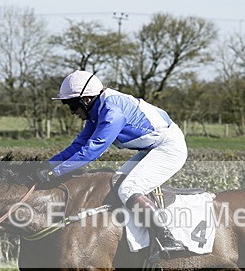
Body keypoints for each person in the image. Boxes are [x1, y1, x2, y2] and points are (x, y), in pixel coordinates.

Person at [37, 70, 188, 261]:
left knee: (129, 188)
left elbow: (92, 150)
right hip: (151, 148)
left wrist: (54, 173)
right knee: (115, 184)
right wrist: (47, 166)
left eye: (73, 105)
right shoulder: (97, 109)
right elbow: (78, 146)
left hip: (168, 147)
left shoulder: (112, 111)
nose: (72, 112)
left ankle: (167, 239)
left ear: (87, 99)